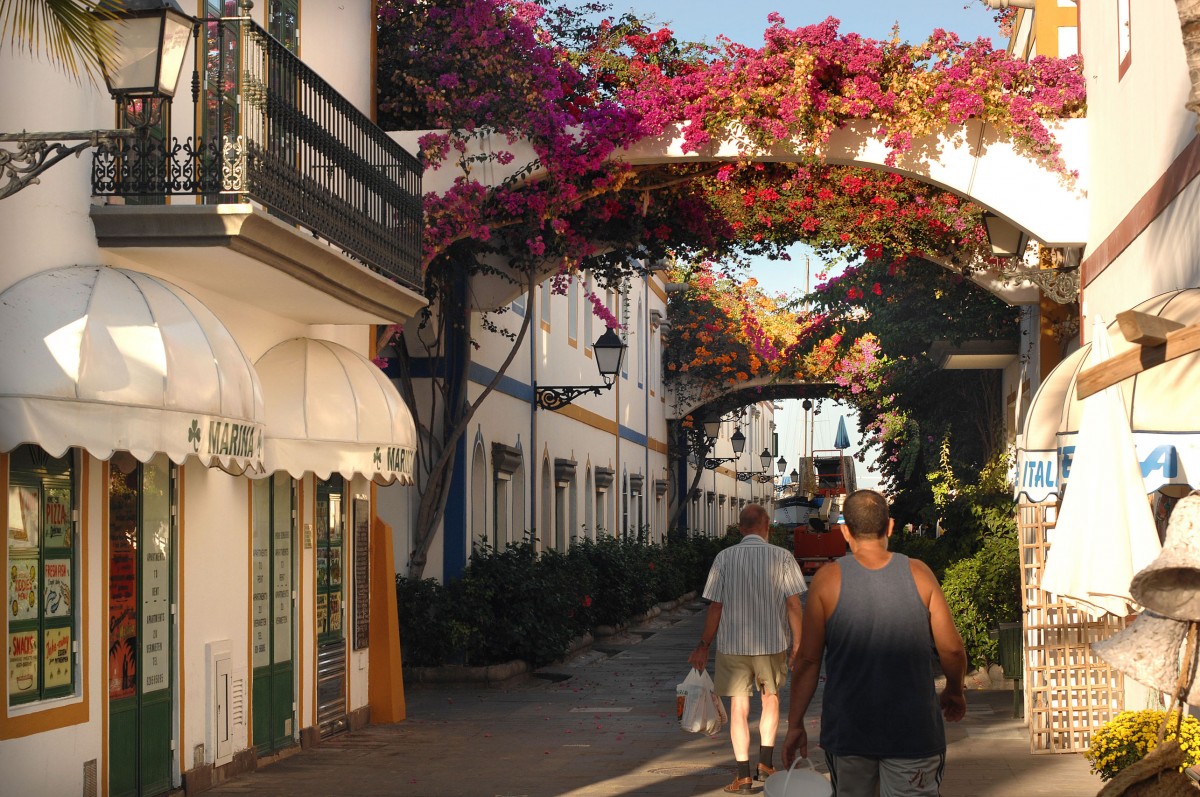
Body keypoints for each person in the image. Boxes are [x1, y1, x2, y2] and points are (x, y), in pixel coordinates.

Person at [782, 489, 967, 796]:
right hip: (914, 732)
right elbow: (952, 649)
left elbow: (808, 660)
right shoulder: (919, 574)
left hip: (849, 733)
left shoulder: (827, 581)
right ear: (890, 527)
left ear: (845, 531)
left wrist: (795, 723)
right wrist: (954, 690)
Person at [688, 503, 806, 794]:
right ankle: (765, 765)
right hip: (773, 643)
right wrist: (799, 643)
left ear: (740, 528)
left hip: (733, 645)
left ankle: (742, 777)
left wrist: (704, 645)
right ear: (768, 527)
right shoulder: (783, 557)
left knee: (739, 708)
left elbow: (716, 605)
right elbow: (793, 604)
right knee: (771, 700)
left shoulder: (724, 558)